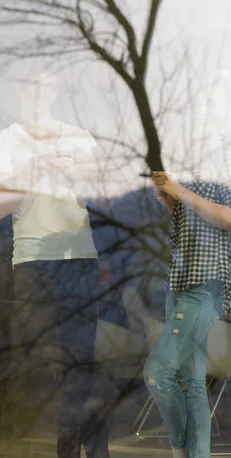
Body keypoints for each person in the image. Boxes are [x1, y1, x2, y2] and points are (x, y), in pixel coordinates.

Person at [0, 62, 111, 458]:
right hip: (34, 262)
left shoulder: (80, 138)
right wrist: (32, 171)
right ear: (19, 91)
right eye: (31, 86)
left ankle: (83, 452)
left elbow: (110, 199)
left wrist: (90, 178)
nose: (38, 92)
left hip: (79, 258)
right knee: (56, 367)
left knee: (84, 364)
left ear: (56, 90)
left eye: (46, 86)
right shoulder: (8, 141)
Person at [143, 131, 231, 458]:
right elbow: (197, 223)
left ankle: (180, 449)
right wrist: (171, 201)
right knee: (192, 386)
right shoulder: (199, 162)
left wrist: (181, 191)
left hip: (204, 286)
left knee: (157, 374)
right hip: (180, 282)